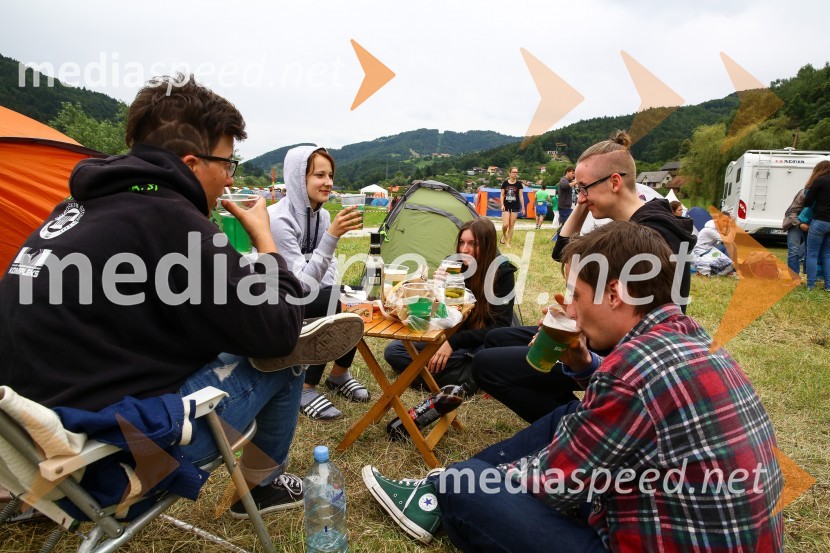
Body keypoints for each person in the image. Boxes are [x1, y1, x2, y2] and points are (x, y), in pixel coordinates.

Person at [0, 75, 355, 518]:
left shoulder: (71, 212)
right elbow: (278, 329)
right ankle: (262, 488)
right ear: (191, 163)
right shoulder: (172, 221)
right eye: (227, 164)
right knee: (289, 356)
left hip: (22, 446)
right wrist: (266, 245)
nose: (229, 180)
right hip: (105, 459)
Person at [363, 221, 783, 552]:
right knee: (567, 415)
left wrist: (462, 478)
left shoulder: (632, 370)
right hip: (708, 531)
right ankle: (436, 490)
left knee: (465, 485)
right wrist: (583, 364)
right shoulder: (688, 334)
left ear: (615, 294)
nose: (570, 306)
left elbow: (552, 484)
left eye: (576, 293)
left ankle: (436, 493)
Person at [474, 130, 696, 423]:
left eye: (584, 188)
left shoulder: (652, 233)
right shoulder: (624, 224)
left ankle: (578, 424)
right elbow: (562, 253)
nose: (580, 197)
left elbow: (640, 318)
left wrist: (575, 329)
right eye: (577, 189)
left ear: (615, 182)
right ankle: (576, 411)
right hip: (595, 334)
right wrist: (585, 200)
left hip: (615, 351)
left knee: (486, 365)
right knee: (496, 337)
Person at [268, 145, 370, 420]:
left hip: (304, 289)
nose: (328, 182)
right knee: (333, 302)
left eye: (330, 175)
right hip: (271, 298)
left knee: (358, 299)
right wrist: (332, 236)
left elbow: (328, 264)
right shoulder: (279, 219)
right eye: (319, 175)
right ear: (298, 178)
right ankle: (304, 387)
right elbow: (298, 285)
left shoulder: (322, 214)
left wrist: (334, 291)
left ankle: (339, 375)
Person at [383, 218, 516, 394]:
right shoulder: (453, 266)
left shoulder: (503, 273)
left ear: (487, 245)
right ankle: (455, 377)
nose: (464, 250)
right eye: (461, 243)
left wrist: (452, 343)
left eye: (472, 244)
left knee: (483, 359)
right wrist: (437, 288)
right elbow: (442, 315)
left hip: (480, 340)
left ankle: (428, 373)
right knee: (394, 351)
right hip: (452, 334)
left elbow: (500, 328)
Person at [803, 161, 830, 290]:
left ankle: (811, 285)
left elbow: (807, 202)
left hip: (820, 221)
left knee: (812, 254)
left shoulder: (820, 180)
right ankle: (828, 286)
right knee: (827, 254)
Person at [499, 167, 525, 247]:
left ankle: (508, 243)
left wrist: (523, 207)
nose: (515, 174)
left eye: (516, 172)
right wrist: (502, 205)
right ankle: (503, 235)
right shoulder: (505, 183)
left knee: (511, 224)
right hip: (506, 205)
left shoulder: (519, 184)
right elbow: (502, 195)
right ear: (509, 173)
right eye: (513, 172)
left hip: (515, 206)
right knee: (505, 224)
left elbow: (521, 196)